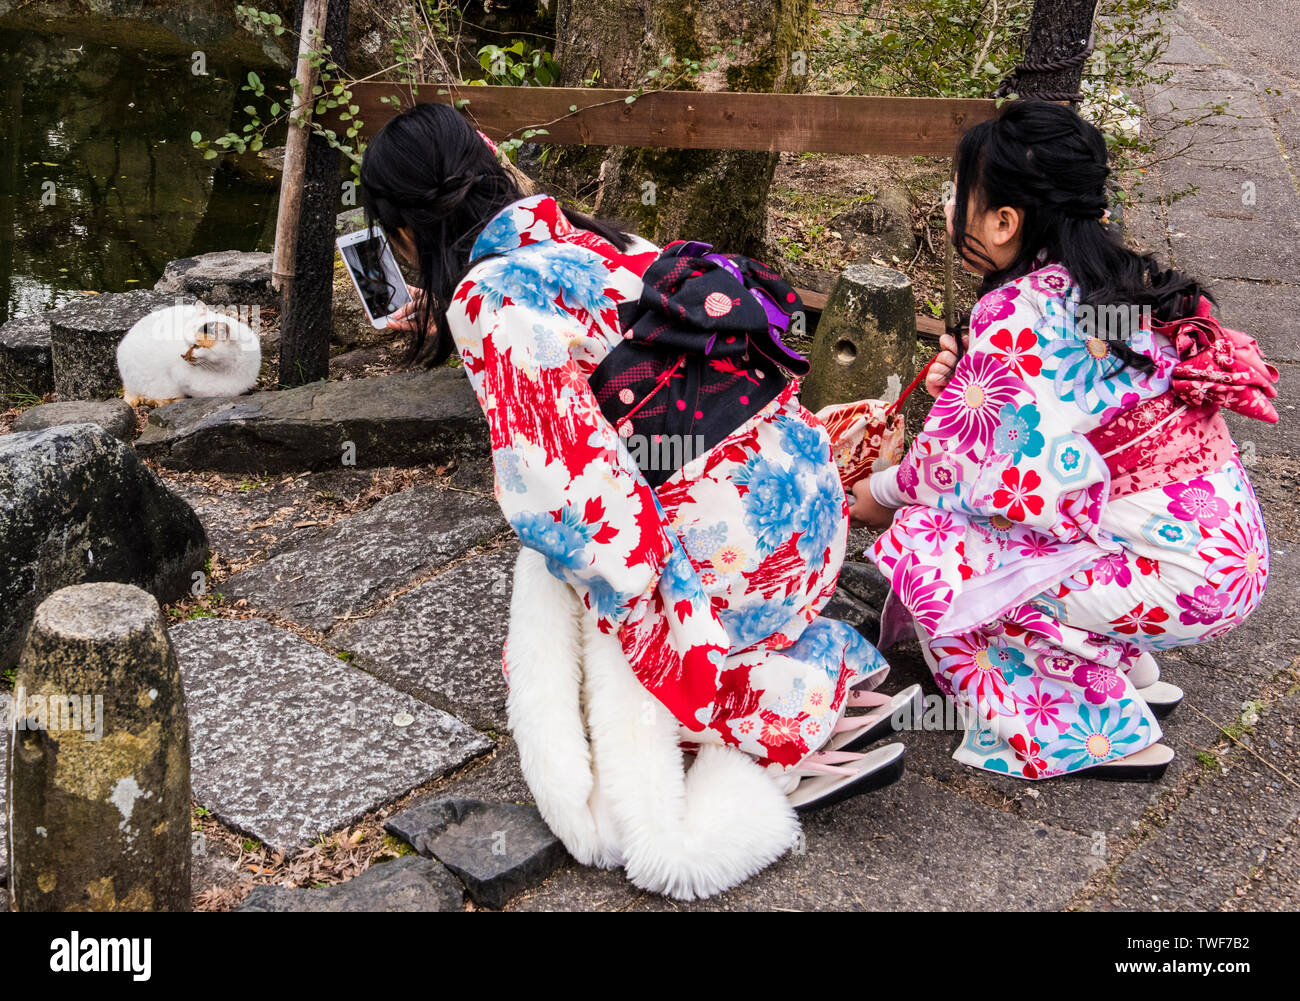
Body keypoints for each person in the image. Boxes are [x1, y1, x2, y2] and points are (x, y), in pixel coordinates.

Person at [357, 104, 914, 896]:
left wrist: (633, 624)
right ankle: (781, 663)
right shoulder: (595, 237)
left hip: (740, 553)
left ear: (405, 229)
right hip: (807, 511)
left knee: (568, 586)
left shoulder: (487, 298)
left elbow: (569, 495)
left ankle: (770, 727)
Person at [849, 99, 1277, 781]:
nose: (951, 207)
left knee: (929, 546)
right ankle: (1122, 665)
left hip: (1178, 574)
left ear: (1004, 220)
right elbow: (1045, 424)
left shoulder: (1016, 308)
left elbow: (961, 465)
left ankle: (1094, 727)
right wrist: (968, 385)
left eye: (959, 195)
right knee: (992, 525)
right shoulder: (1119, 281)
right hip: (1225, 558)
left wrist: (875, 492)